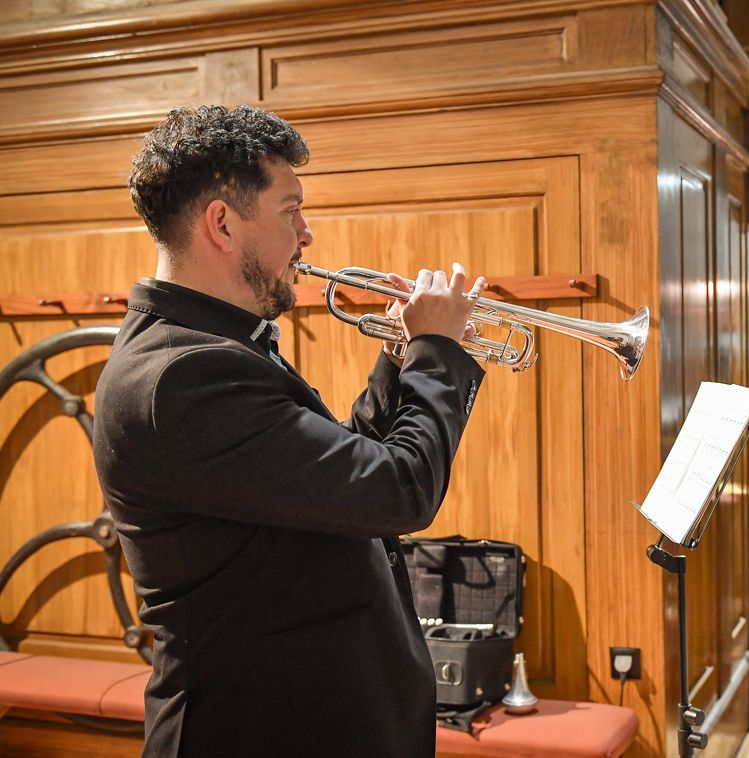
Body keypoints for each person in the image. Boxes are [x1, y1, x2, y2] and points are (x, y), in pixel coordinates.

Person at [93, 104, 485, 757]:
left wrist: (400, 359)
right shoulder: (182, 376)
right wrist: (437, 353)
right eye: (291, 210)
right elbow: (398, 491)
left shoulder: (215, 347)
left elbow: (340, 478)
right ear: (222, 223)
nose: (307, 234)